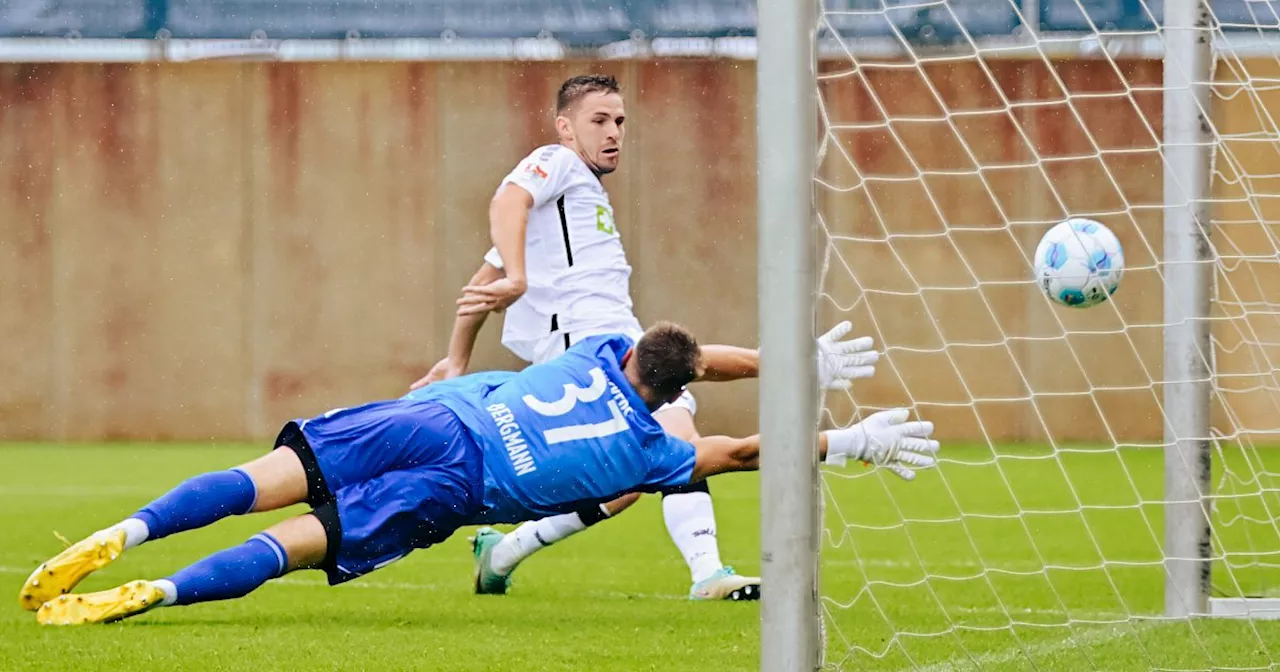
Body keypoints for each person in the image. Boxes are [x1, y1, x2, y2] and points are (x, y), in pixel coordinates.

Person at [19, 324, 937, 626]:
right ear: (672, 390)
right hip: (459, 483)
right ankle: (161, 592)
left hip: (433, 416)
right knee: (304, 542)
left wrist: (788, 356)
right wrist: (845, 439)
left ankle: (127, 531)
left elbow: (687, 348)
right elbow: (737, 452)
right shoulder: (651, 451)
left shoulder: (597, 352)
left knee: (264, 477)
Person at [409, 73, 880, 600]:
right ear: (565, 127)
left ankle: (504, 551)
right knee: (675, 441)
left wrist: (456, 357)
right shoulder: (557, 164)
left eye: (620, 121)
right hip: (586, 350)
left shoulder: (571, 203)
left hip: (611, 343)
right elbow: (507, 201)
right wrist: (515, 281)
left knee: (629, 480)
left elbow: (479, 286)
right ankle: (709, 574)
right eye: (599, 120)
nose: (613, 132)